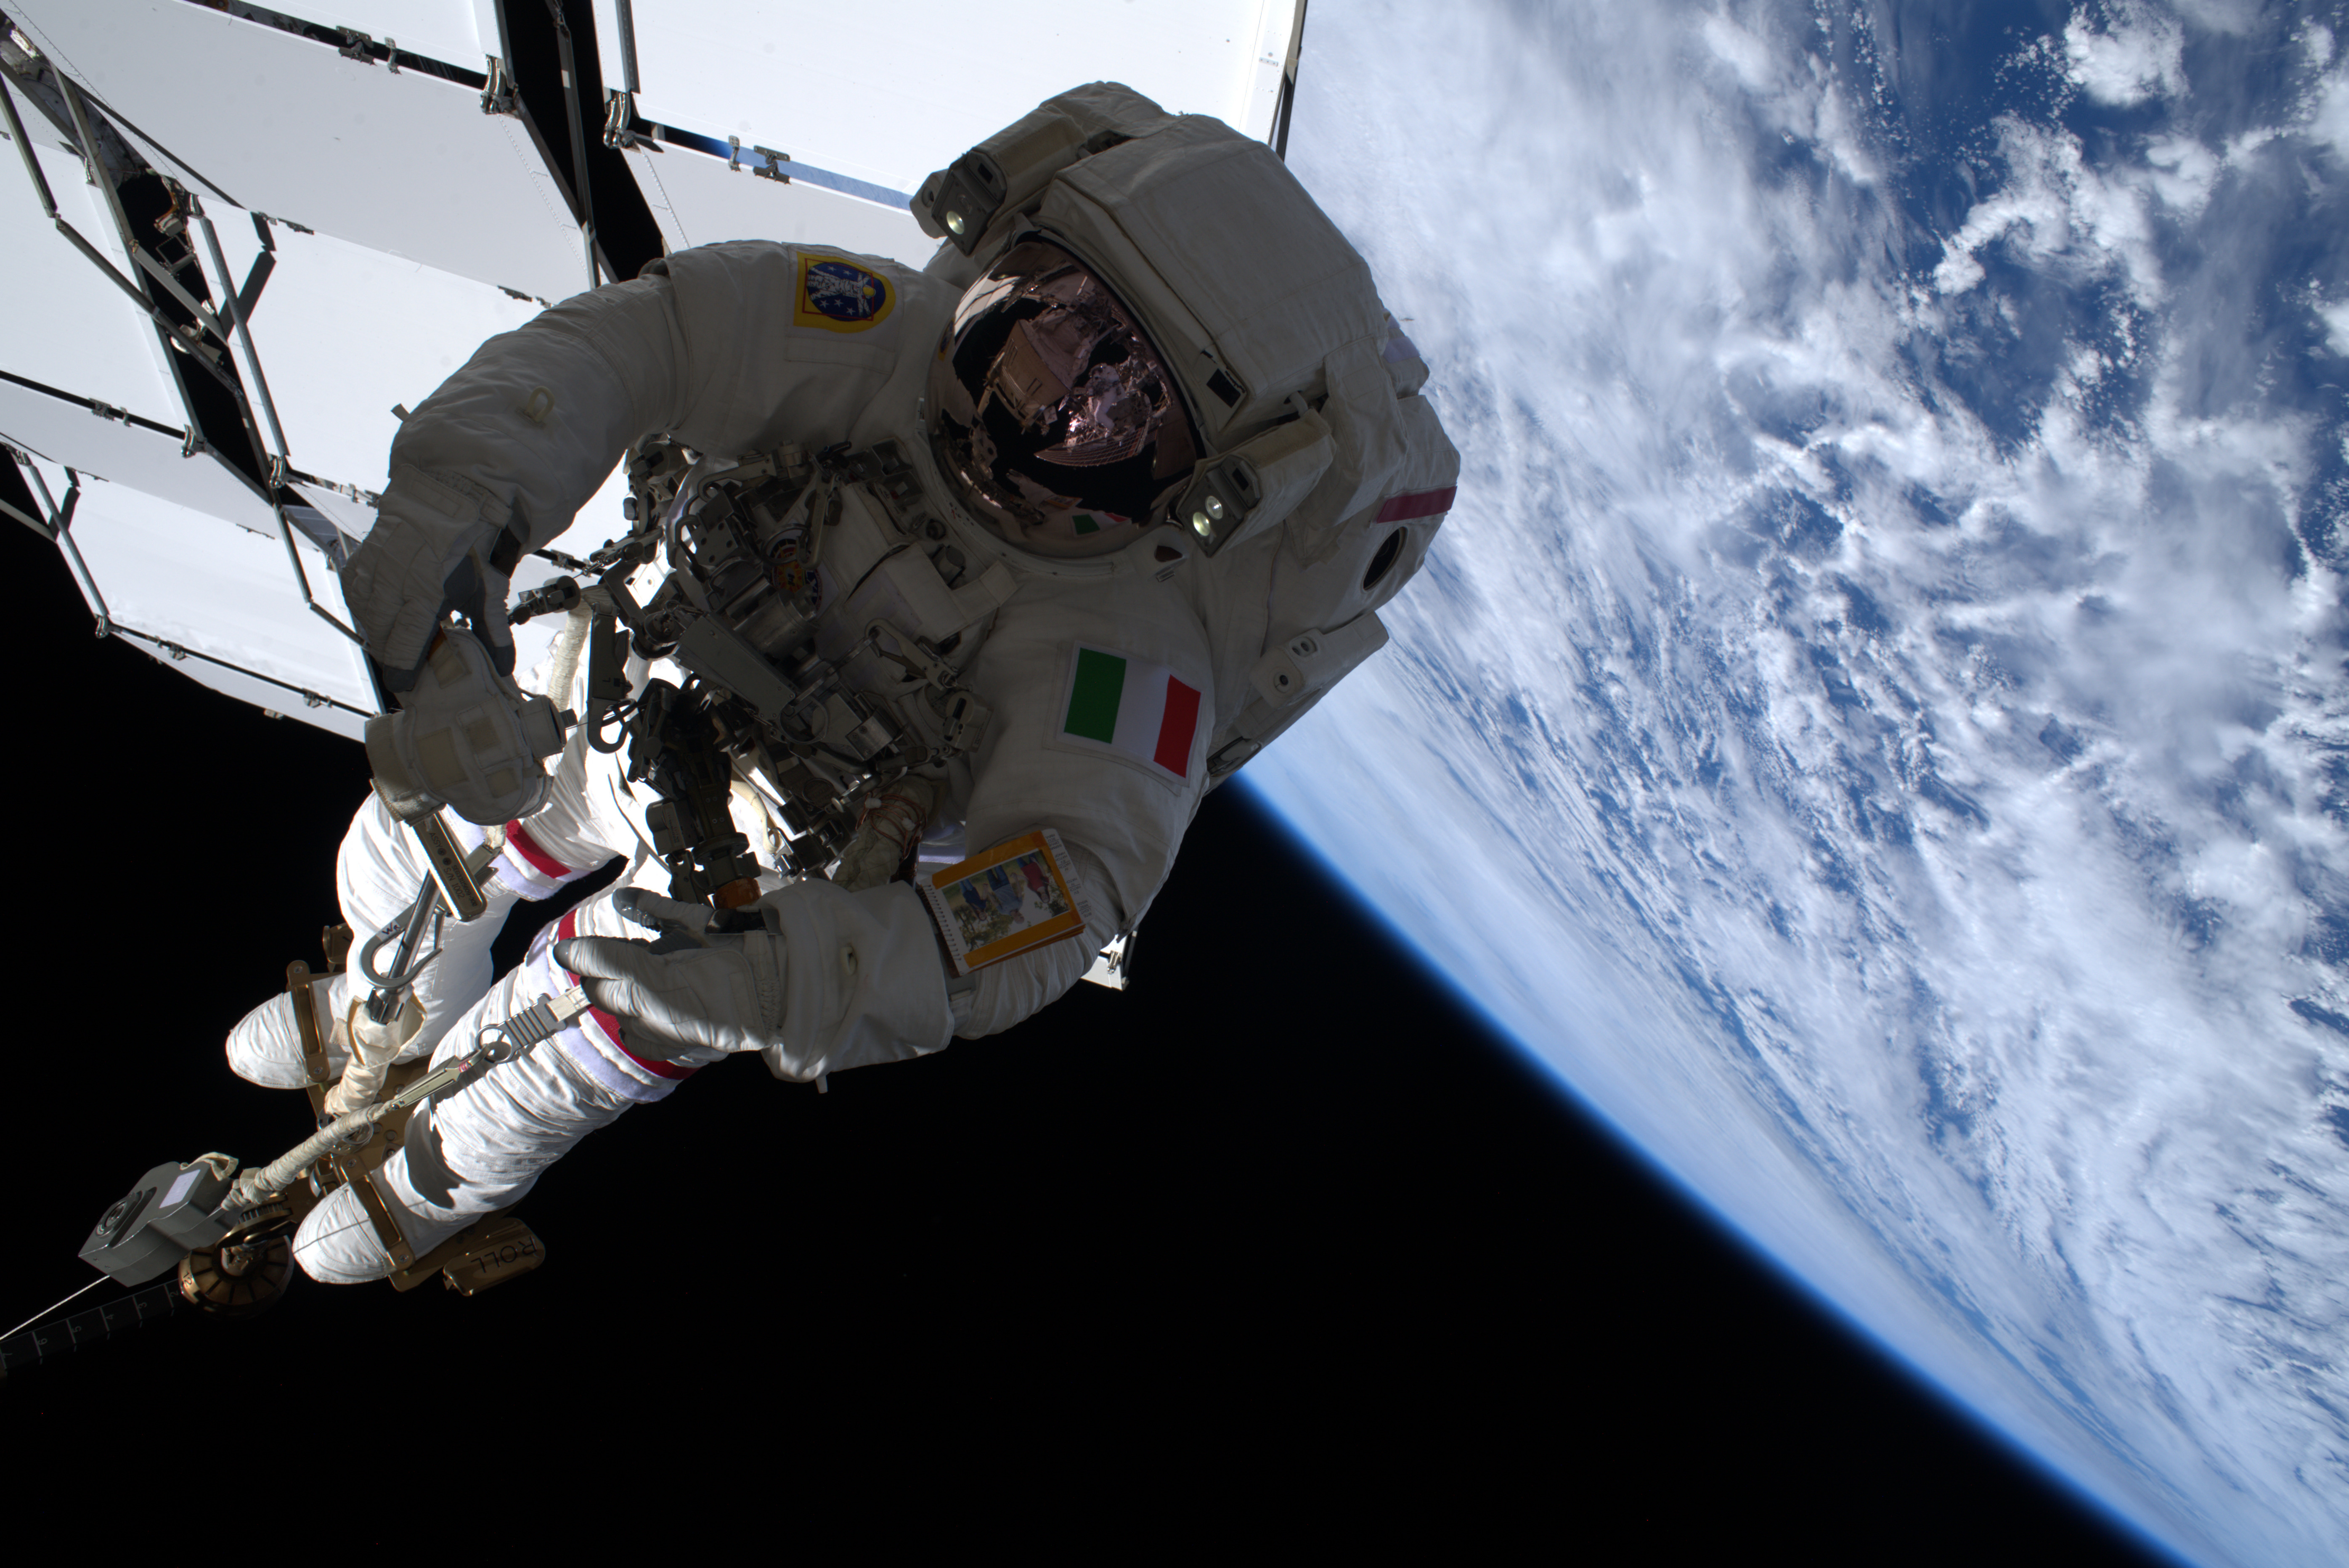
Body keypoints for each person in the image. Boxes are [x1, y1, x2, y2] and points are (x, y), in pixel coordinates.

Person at [225, 82, 1459, 1283]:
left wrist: (798, 978)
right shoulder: (878, 335)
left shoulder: (1136, 660)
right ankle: (373, 1009)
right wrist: (464, 491)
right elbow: (655, 339)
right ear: (1011, 255)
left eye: (1129, 408)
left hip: (750, 876)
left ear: (1208, 481)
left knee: (591, 1016)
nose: (1055, 404)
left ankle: (425, 1184)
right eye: (1062, 323)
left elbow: (1061, 886)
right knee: (421, 834)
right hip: (614, 695)